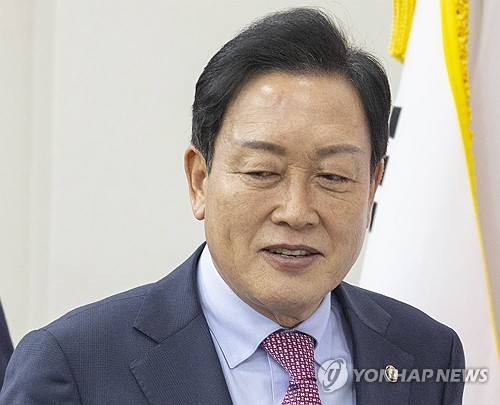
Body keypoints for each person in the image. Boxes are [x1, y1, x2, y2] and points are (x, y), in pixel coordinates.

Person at [0, 8, 465, 404]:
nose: (296, 212)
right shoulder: (75, 367)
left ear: (373, 184)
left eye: (333, 177)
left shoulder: (427, 353)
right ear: (199, 180)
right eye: (262, 172)